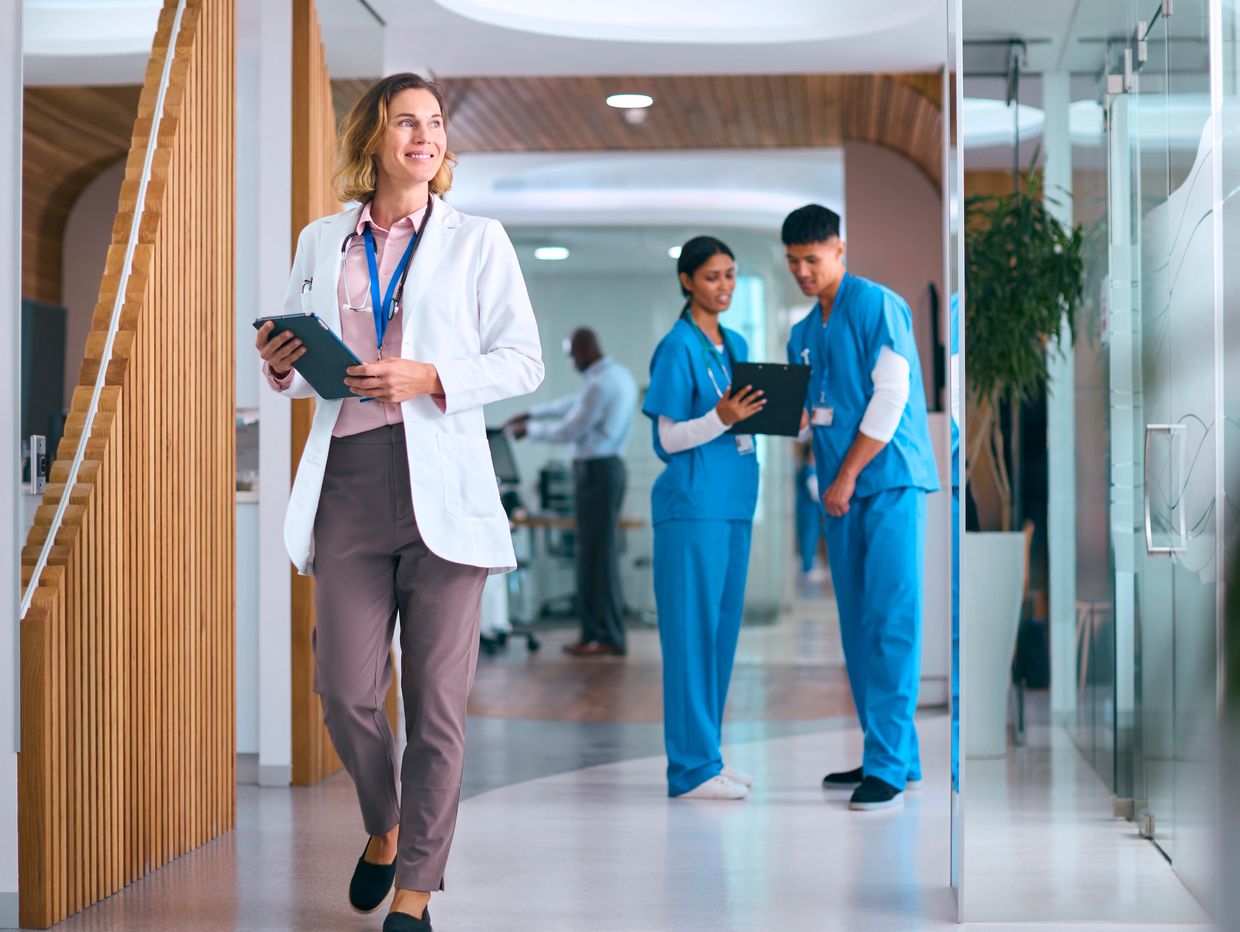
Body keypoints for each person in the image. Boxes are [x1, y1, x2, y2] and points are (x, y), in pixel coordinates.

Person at [255, 73, 542, 932]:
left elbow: (523, 361)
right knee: (344, 691)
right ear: (373, 138)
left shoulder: (478, 240)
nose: (424, 135)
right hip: (347, 475)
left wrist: (430, 376)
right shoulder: (320, 239)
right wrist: (279, 362)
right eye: (405, 121)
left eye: (436, 123)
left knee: (437, 705)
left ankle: (415, 890)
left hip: (442, 488)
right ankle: (384, 825)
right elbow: (301, 367)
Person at [782, 204, 939, 812]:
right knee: (856, 627)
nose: (802, 272)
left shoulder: (877, 305)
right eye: (793, 261)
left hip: (889, 484)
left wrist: (845, 474)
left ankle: (888, 768)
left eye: (812, 260)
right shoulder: (802, 334)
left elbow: (892, 394)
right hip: (842, 495)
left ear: (839, 250)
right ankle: (892, 753)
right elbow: (810, 413)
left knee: (891, 621)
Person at [643, 235, 766, 800]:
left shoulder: (735, 342)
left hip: (734, 502)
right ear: (688, 281)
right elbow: (668, 437)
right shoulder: (677, 347)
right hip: (691, 509)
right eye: (713, 276)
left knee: (719, 637)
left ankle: (708, 757)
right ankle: (689, 768)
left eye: (732, 275)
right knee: (691, 637)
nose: (725, 287)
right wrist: (719, 417)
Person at [505, 329, 638, 657]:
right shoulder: (616, 375)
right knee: (599, 556)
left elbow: (573, 427)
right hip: (608, 470)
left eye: (570, 354)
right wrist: (533, 413)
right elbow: (572, 405)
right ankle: (605, 633)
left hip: (596, 473)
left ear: (581, 350)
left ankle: (600, 635)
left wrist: (529, 430)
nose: (571, 361)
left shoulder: (599, 383)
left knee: (594, 558)